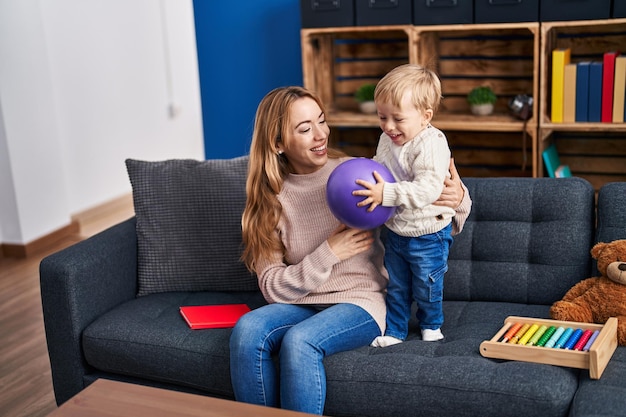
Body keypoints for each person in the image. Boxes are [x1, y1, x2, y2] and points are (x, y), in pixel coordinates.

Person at [230, 86, 470, 415]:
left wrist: (458, 198)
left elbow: (424, 211)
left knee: (300, 342)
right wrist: (329, 251)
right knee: (247, 330)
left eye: (322, 121)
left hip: (360, 301)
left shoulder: (358, 174)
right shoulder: (270, 201)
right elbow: (271, 286)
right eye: (304, 129)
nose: (320, 135)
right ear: (277, 143)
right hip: (301, 302)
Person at [354, 64, 468, 347]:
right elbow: (380, 168)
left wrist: (386, 194)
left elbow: (428, 189)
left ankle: (431, 324)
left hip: (429, 233)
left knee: (427, 284)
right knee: (397, 285)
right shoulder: (387, 138)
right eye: (382, 117)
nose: (389, 126)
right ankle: (395, 331)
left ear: (425, 116)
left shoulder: (432, 143)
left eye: (398, 119)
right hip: (396, 231)